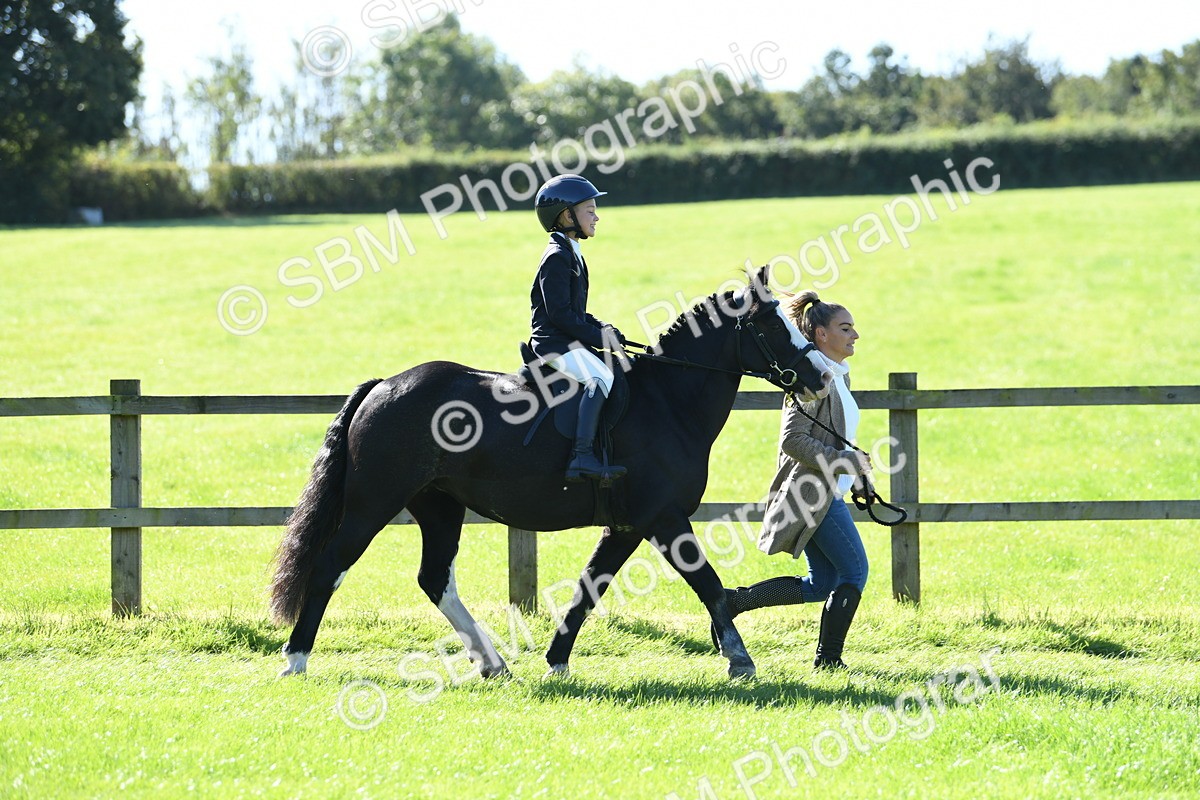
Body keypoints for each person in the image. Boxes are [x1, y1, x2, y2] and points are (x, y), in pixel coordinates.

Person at [717, 291, 872, 669]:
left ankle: (732, 602)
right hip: (812, 494)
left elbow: (831, 437)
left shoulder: (835, 375)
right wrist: (844, 460)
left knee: (822, 584)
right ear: (820, 334)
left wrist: (855, 475)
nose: (855, 335)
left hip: (825, 491)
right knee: (855, 571)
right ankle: (829, 660)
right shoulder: (811, 380)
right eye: (845, 328)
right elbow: (792, 440)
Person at [530, 174, 627, 483]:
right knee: (601, 376)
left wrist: (605, 330)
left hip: (567, 339)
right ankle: (582, 456)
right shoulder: (557, 257)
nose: (596, 216)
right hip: (552, 344)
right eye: (589, 210)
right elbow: (559, 316)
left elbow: (577, 313)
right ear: (566, 215)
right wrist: (600, 339)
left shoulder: (571, 252)